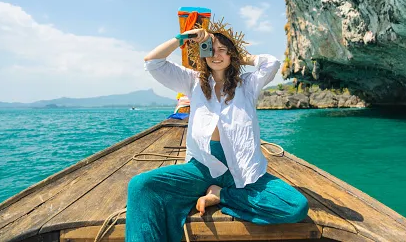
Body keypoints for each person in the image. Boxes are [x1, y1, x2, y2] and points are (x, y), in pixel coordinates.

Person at [126, 19, 309, 242]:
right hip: (202, 168)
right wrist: (185, 37)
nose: (216, 54)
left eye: (223, 50)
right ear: (203, 54)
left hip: (242, 170)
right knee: (140, 185)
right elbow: (153, 62)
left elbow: (271, 63)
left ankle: (220, 195)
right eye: (210, 49)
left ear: (232, 54)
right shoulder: (193, 82)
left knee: (295, 206)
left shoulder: (248, 85)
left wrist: (237, 57)